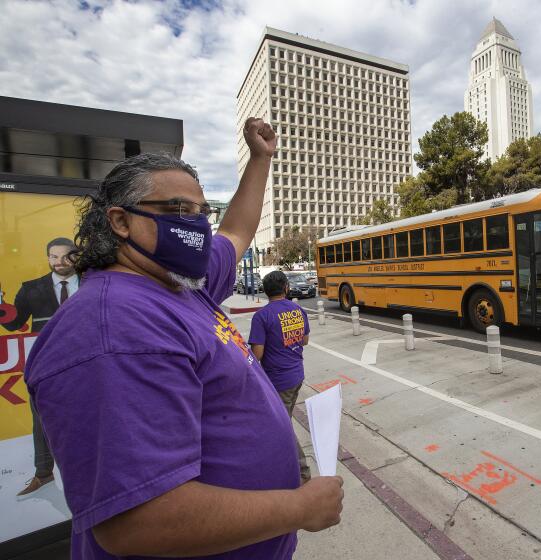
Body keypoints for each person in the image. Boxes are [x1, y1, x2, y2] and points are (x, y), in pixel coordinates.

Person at [24, 118, 343, 559]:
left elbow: (236, 231)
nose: (196, 226)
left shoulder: (178, 284)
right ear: (120, 221)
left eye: (200, 213)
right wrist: (300, 507)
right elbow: (139, 522)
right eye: (178, 211)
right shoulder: (115, 328)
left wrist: (261, 159)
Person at [1, 237, 79, 497]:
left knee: (89, 414)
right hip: (45, 365)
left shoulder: (94, 282)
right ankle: (43, 473)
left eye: (66, 256)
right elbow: (14, 324)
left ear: (76, 256)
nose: (59, 262)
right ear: (47, 258)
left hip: (87, 362)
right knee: (41, 418)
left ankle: (83, 470)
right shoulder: (31, 288)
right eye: (53, 257)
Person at [248, 271, 311, 483]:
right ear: (286, 287)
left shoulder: (262, 316)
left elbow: (257, 354)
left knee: (282, 427)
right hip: (296, 375)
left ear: (266, 291)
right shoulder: (298, 309)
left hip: (278, 381)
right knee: (284, 420)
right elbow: (304, 341)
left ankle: (302, 472)